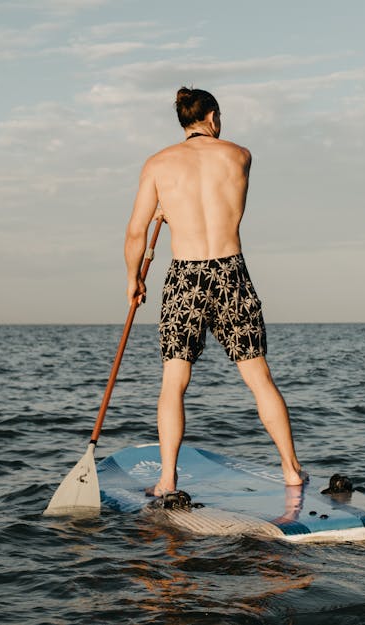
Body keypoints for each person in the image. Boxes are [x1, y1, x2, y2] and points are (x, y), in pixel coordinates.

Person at [124, 87, 306, 496]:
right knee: (259, 377)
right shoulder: (239, 155)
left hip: (185, 275)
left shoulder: (157, 164)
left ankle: (167, 479)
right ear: (212, 116)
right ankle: (291, 471)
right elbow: (218, 196)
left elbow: (137, 231)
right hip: (230, 271)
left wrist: (134, 279)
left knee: (174, 381)